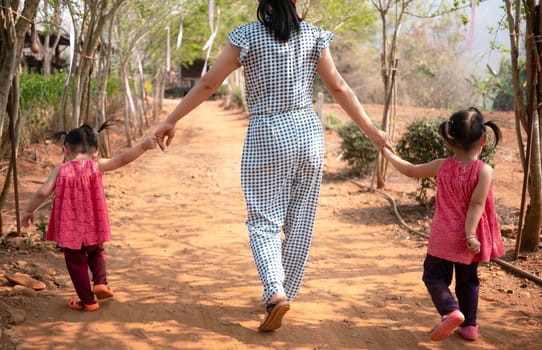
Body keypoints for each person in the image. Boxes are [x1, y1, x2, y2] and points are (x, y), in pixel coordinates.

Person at [154, 0, 391, 332]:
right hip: (308, 132)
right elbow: (338, 86)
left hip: (268, 133)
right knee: (300, 221)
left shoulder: (246, 36)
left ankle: (276, 292)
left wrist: (171, 119)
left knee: (264, 220)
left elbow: (210, 84)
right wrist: (374, 133)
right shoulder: (312, 36)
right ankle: (281, 293)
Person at [381, 107, 505, 341]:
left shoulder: (442, 165)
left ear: (450, 141)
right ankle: (469, 326)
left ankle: (450, 310)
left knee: (434, 276)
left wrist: (388, 154)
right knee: (468, 281)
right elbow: (476, 205)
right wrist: (470, 235)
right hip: (469, 240)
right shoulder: (484, 171)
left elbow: (409, 170)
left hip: (442, 238)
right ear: (484, 140)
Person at [21, 124, 157, 311]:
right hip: (94, 224)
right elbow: (122, 159)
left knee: (76, 262)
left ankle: (88, 300)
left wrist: (28, 210)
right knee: (96, 251)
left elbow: (43, 192)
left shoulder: (61, 170)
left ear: (66, 150)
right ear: (96, 152)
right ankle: (100, 282)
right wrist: (143, 146)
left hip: (70, 229)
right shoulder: (96, 166)